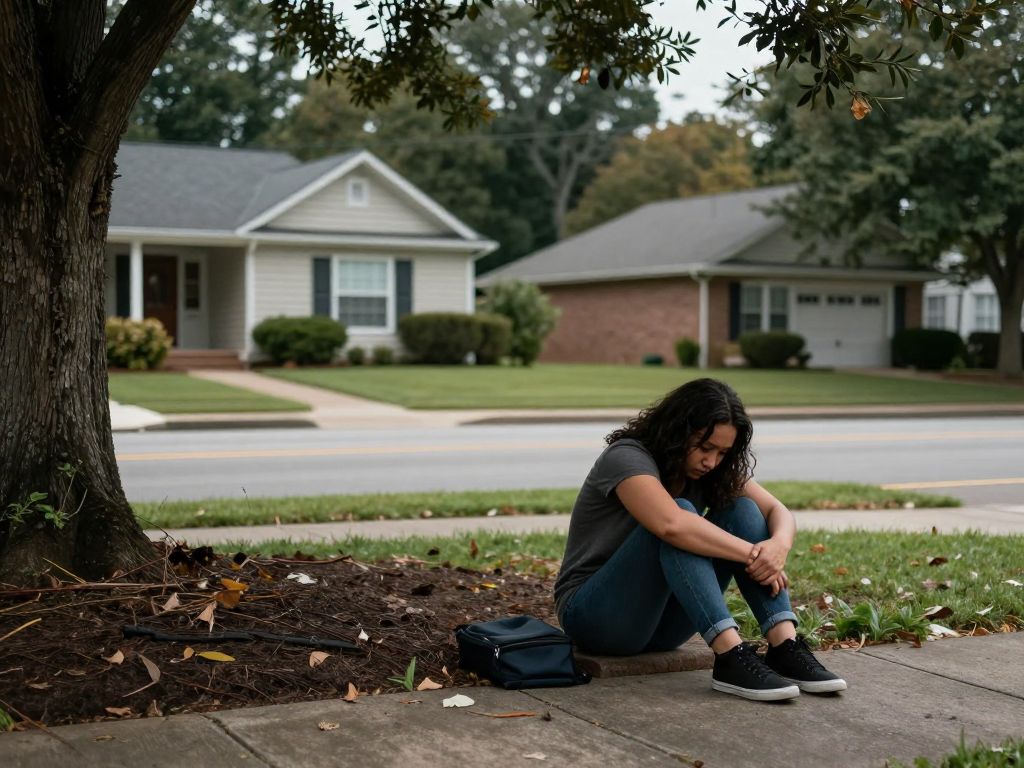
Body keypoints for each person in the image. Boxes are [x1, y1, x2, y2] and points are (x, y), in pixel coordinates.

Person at [554, 378, 846, 701]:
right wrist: (754, 554)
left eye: (722, 452)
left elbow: (777, 510)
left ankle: (784, 645)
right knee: (681, 517)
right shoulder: (625, 457)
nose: (712, 462)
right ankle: (730, 657)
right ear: (676, 431)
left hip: (663, 627)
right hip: (596, 618)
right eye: (704, 448)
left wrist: (778, 547)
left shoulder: (711, 472)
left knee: (743, 510)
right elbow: (671, 525)